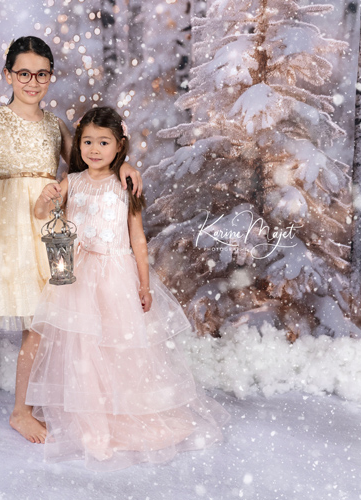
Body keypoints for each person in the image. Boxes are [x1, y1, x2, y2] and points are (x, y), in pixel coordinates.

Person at [0, 37, 143, 444]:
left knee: (50, 318)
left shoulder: (56, 125)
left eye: (41, 73)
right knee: (38, 319)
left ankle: (43, 400)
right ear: (8, 75)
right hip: (10, 226)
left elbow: (90, 164)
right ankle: (21, 411)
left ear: (50, 77)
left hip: (50, 227)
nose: (32, 81)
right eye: (23, 73)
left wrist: (126, 161)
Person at [26, 107, 229, 470]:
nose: (93, 149)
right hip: (79, 274)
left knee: (120, 346)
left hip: (116, 274)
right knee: (82, 348)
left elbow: (137, 237)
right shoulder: (71, 181)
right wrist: (45, 197)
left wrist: (144, 283)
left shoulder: (125, 184)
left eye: (103, 142)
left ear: (119, 146)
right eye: (87, 141)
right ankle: (92, 419)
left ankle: (122, 413)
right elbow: (44, 215)